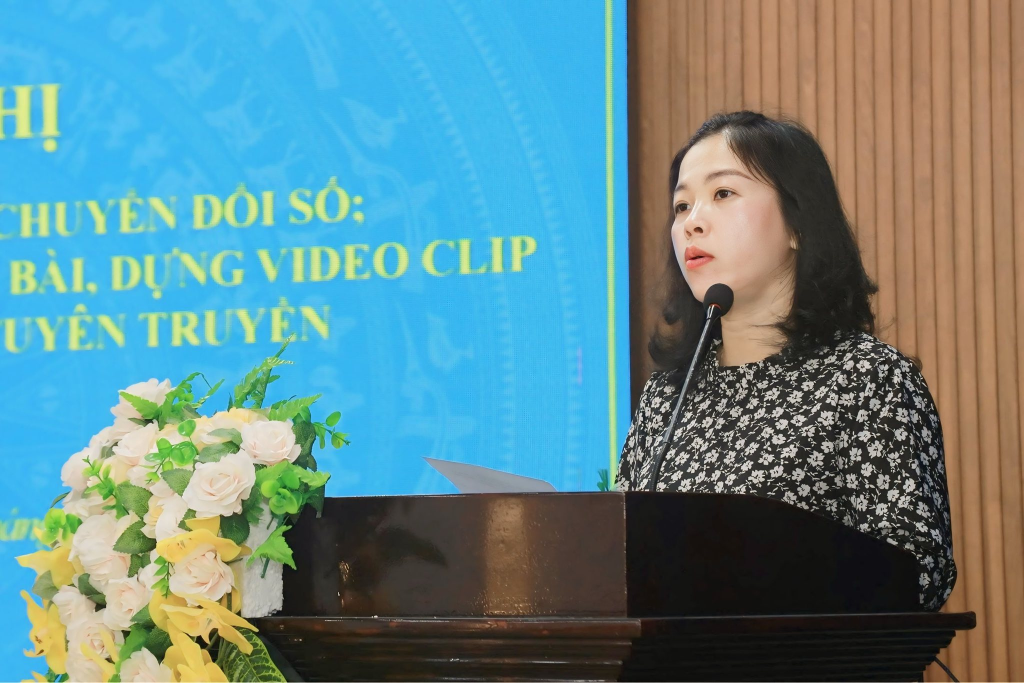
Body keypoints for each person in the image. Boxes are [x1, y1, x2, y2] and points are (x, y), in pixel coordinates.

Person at [616, 111, 956, 610]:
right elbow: (621, 563)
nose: (692, 222)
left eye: (723, 193)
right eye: (682, 205)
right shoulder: (666, 396)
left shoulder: (867, 378)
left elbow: (918, 573)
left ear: (797, 223)